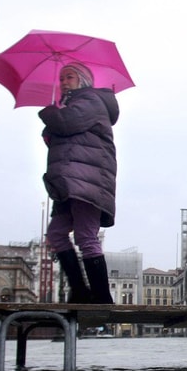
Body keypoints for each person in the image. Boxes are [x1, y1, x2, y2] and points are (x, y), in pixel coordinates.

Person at [39, 62, 119, 304]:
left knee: (86, 235)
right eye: (61, 78)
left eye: (69, 77)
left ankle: (102, 297)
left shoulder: (91, 100)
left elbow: (66, 123)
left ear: (83, 80)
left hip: (87, 180)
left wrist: (49, 113)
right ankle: (80, 290)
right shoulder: (72, 104)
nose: (64, 82)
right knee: (56, 234)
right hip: (68, 181)